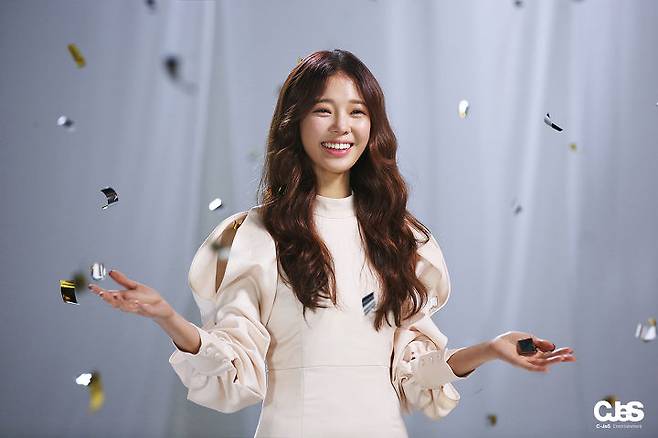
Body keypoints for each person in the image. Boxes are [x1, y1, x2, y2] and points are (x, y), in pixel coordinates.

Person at [88, 49, 576, 438]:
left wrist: (490, 349)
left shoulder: (400, 237)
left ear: (373, 125)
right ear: (295, 122)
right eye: (323, 110)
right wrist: (170, 319)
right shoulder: (256, 236)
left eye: (357, 112)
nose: (342, 127)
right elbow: (234, 367)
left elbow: (416, 376)